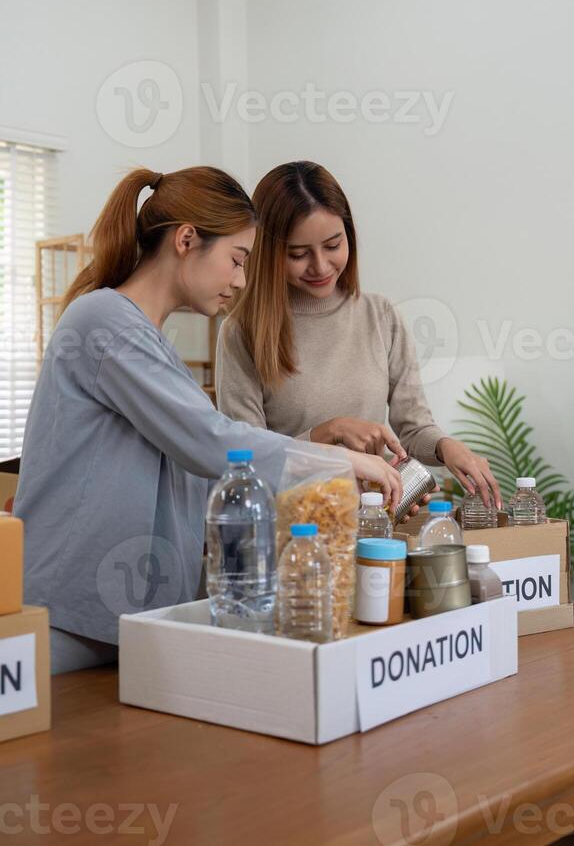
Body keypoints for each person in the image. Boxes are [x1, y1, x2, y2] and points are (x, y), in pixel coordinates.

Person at [13, 166, 402, 675]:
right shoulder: (103, 322)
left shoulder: (152, 344)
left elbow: (204, 477)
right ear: (187, 240)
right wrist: (337, 460)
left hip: (130, 619)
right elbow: (211, 443)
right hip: (73, 615)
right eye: (236, 260)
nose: (240, 280)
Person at [217, 161, 501, 508]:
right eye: (299, 254)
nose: (320, 266)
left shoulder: (381, 317)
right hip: (289, 532)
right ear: (267, 252)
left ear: (348, 236)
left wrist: (445, 448)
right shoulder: (242, 333)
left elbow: (413, 429)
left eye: (333, 245)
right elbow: (247, 461)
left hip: (371, 522)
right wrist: (327, 432)